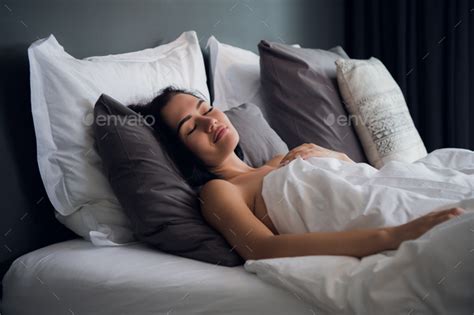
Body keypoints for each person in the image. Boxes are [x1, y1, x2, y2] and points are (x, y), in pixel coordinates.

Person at [128, 86, 465, 261]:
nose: (209, 122)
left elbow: (364, 177)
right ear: (184, 153)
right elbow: (261, 249)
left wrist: (334, 153)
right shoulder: (220, 192)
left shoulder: (280, 158)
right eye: (191, 128)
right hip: (384, 220)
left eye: (206, 109)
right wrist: (393, 236)